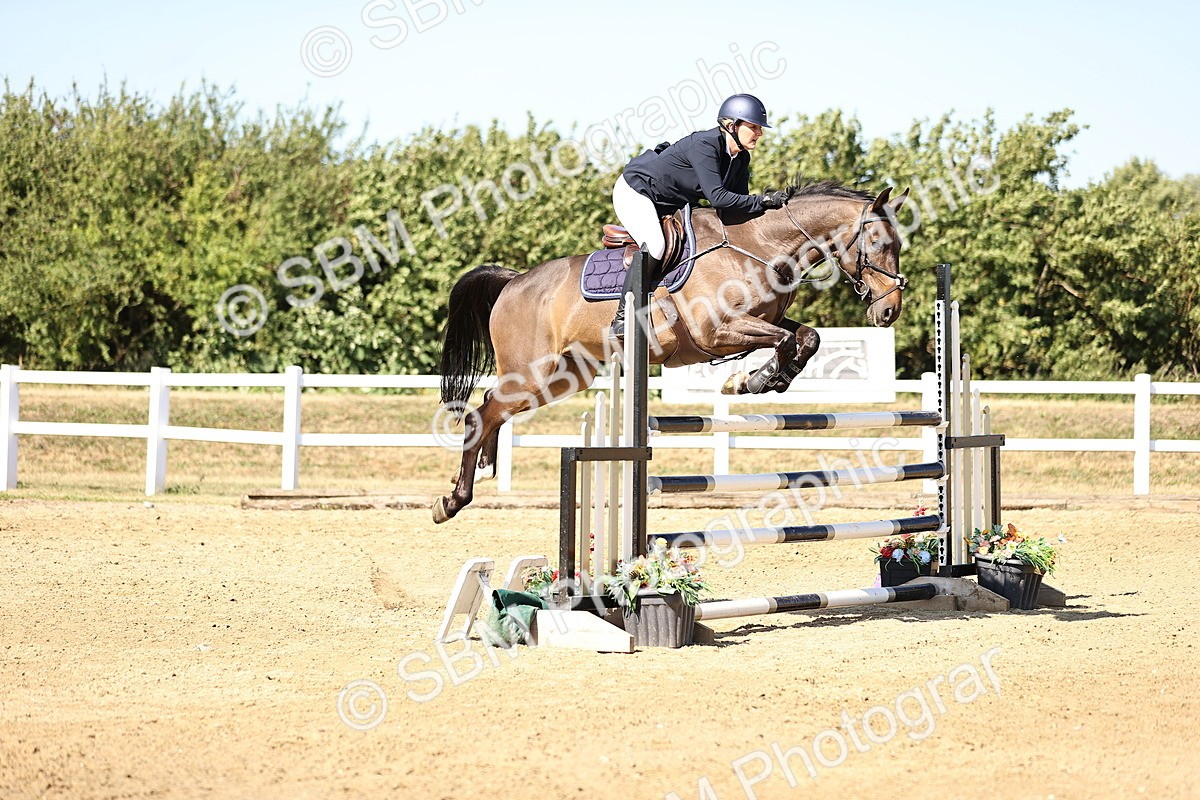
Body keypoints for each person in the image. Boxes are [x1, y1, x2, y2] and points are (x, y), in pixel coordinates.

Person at [608, 93, 788, 341]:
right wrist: (764, 200)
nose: (760, 133)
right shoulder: (706, 145)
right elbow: (719, 199)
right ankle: (622, 319)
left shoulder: (740, 158)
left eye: (760, 128)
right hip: (637, 191)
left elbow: (735, 209)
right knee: (657, 245)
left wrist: (772, 212)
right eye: (754, 127)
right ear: (731, 125)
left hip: (670, 201)